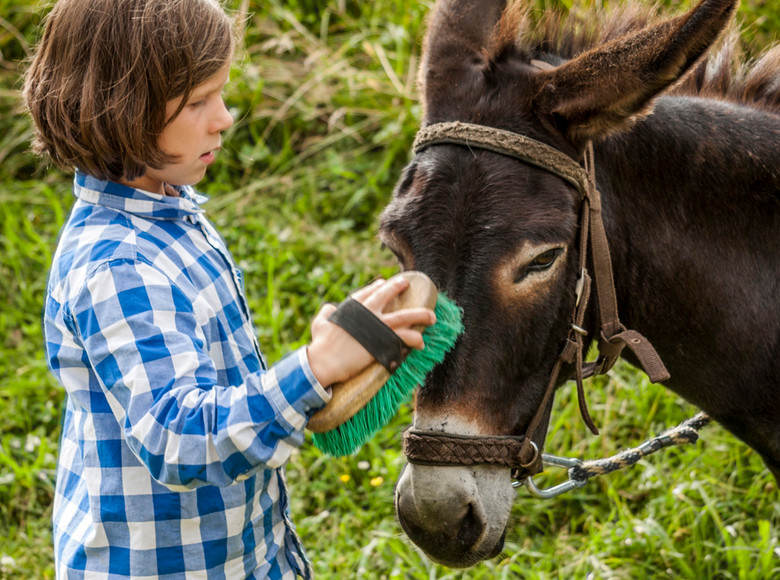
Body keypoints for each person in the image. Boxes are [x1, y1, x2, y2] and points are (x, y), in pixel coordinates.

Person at [22, 0, 435, 577]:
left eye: (221, 92)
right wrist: (313, 370)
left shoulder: (165, 207)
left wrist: (329, 357)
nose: (225, 118)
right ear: (120, 109)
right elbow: (177, 437)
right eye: (197, 102)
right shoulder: (117, 265)